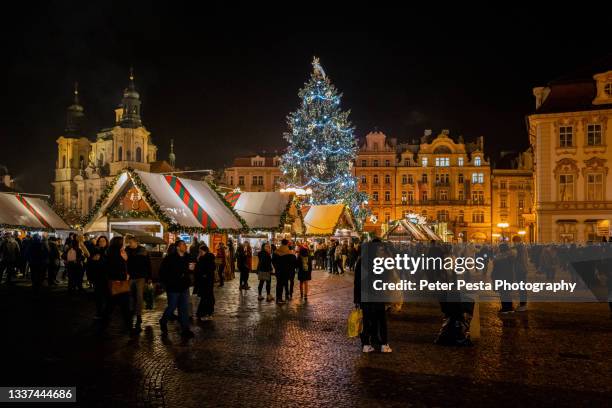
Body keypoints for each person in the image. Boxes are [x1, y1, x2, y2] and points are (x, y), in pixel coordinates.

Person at [354, 242, 391, 353]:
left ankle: (366, 344)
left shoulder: (361, 261)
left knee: (367, 320)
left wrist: (357, 299)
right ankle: (384, 344)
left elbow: (357, 282)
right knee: (381, 321)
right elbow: (386, 278)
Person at [159, 240, 194, 338]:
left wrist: (192, 269)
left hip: (184, 286)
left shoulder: (188, 257)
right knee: (172, 306)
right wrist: (166, 283)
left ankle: (185, 329)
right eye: (183, 245)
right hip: (173, 286)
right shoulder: (170, 258)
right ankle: (163, 320)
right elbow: (163, 272)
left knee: (184, 308)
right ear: (178, 247)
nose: (185, 246)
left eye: (185, 245)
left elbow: (190, 270)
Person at [101, 236, 132, 334]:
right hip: (118, 283)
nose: (124, 243)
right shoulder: (116, 254)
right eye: (122, 242)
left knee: (111, 306)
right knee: (123, 306)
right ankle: (128, 326)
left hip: (113, 283)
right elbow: (118, 268)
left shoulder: (110, 252)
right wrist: (123, 276)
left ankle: (103, 325)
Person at [125, 235, 152, 333]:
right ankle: (131, 311)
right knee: (130, 295)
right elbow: (124, 263)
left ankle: (138, 314)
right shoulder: (126, 250)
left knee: (139, 296)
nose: (129, 244)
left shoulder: (143, 251)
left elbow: (148, 264)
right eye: (129, 242)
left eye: (131, 242)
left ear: (136, 242)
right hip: (130, 277)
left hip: (140, 277)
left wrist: (149, 277)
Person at [87, 236, 109, 319]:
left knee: (107, 296)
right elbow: (90, 262)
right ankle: (99, 312)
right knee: (98, 296)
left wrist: (101, 259)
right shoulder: (95, 250)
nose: (102, 242)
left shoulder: (109, 251)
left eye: (103, 241)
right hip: (98, 277)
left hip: (107, 277)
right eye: (100, 241)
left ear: (106, 242)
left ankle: (106, 312)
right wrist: (93, 260)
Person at [492, 243, 516, 314]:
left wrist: (493, 277)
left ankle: (505, 308)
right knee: (507, 293)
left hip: (500, 277)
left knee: (503, 294)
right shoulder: (511, 257)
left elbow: (496, 270)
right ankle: (510, 307)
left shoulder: (499, 258)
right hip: (509, 277)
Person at [195, 244, 216, 320]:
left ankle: (205, 313)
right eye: (199, 252)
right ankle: (206, 313)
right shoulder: (204, 258)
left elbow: (207, 269)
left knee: (206, 298)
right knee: (207, 297)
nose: (199, 253)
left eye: (201, 251)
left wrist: (204, 275)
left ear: (205, 251)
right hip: (206, 281)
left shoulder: (206, 258)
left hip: (206, 281)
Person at [273, 239, 296, 305]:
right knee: (285, 283)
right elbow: (293, 262)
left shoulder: (276, 252)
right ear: (287, 243)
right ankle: (286, 295)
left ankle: (278, 298)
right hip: (286, 271)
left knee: (279, 284)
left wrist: (276, 268)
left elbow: (273, 261)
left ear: (281, 243)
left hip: (278, 271)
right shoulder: (289, 252)